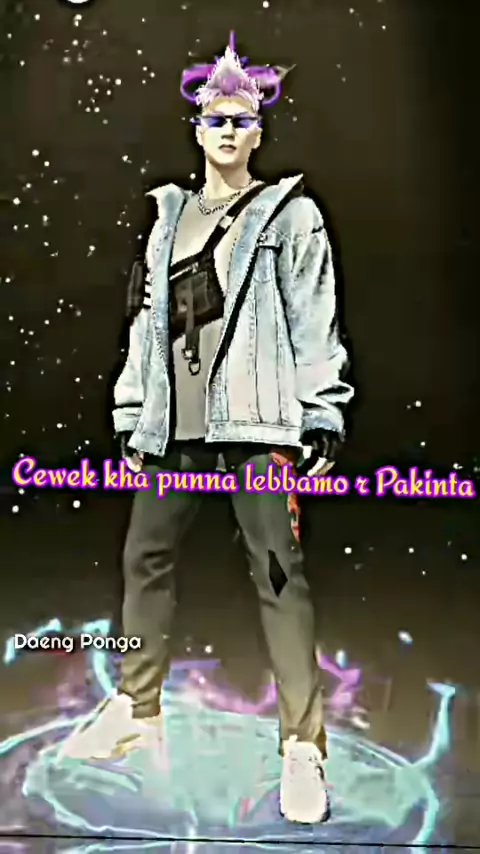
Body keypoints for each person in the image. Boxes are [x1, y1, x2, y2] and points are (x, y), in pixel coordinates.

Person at [58, 33, 354, 824]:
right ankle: (136, 708)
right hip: (176, 426)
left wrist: (321, 409)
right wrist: (133, 410)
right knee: (144, 557)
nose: (226, 130)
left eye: (240, 119)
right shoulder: (168, 219)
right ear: (196, 129)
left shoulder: (290, 215)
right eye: (214, 118)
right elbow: (145, 325)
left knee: (278, 575)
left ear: (259, 131)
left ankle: (302, 747)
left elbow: (315, 316)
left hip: (257, 422)